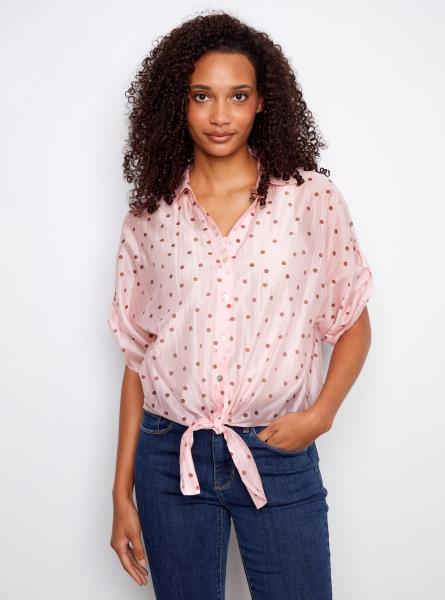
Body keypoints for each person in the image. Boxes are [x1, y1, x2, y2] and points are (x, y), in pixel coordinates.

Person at [107, 10, 374, 600]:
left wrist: (322, 414)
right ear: (178, 103)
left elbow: (353, 321)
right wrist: (121, 492)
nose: (220, 115)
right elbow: (137, 360)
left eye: (238, 96)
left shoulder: (309, 199)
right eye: (202, 95)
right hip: (169, 458)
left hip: (276, 452)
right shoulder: (150, 216)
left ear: (262, 102)